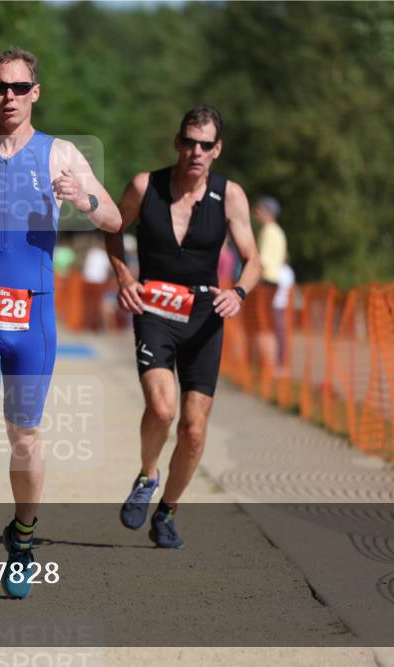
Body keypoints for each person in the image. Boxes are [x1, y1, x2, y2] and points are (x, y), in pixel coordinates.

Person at [0, 46, 121, 597]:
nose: (7, 96)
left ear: (35, 93)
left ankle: (23, 536)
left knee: (26, 437)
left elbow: (114, 217)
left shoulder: (60, 155)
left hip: (32, 314)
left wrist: (82, 196)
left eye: (17, 88)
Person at [105, 105, 261, 548]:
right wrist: (125, 277)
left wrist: (240, 293)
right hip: (154, 310)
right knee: (162, 410)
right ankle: (147, 476)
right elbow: (113, 229)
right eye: (189, 142)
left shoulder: (229, 195)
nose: (195, 151)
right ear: (178, 142)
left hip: (205, 318)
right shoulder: (145, 185)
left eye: (205, 145)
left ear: (217, 150)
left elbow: (253, 260)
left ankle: (168, 511)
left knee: (194, 426)